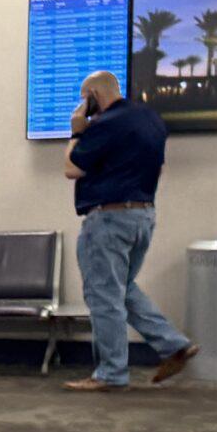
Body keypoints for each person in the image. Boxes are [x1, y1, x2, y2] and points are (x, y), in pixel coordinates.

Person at [64, 70, 199, 392]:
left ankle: (110, 374)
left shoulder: (105, 124)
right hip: (143, 215)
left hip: (108, 218)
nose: (84, 104)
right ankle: (172, 344)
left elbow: (71, 168)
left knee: (103, 295)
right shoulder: (149, 119)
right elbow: (159, 167)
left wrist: (76, 132)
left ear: (94, 94)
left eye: (85, 98)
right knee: (122, 288)